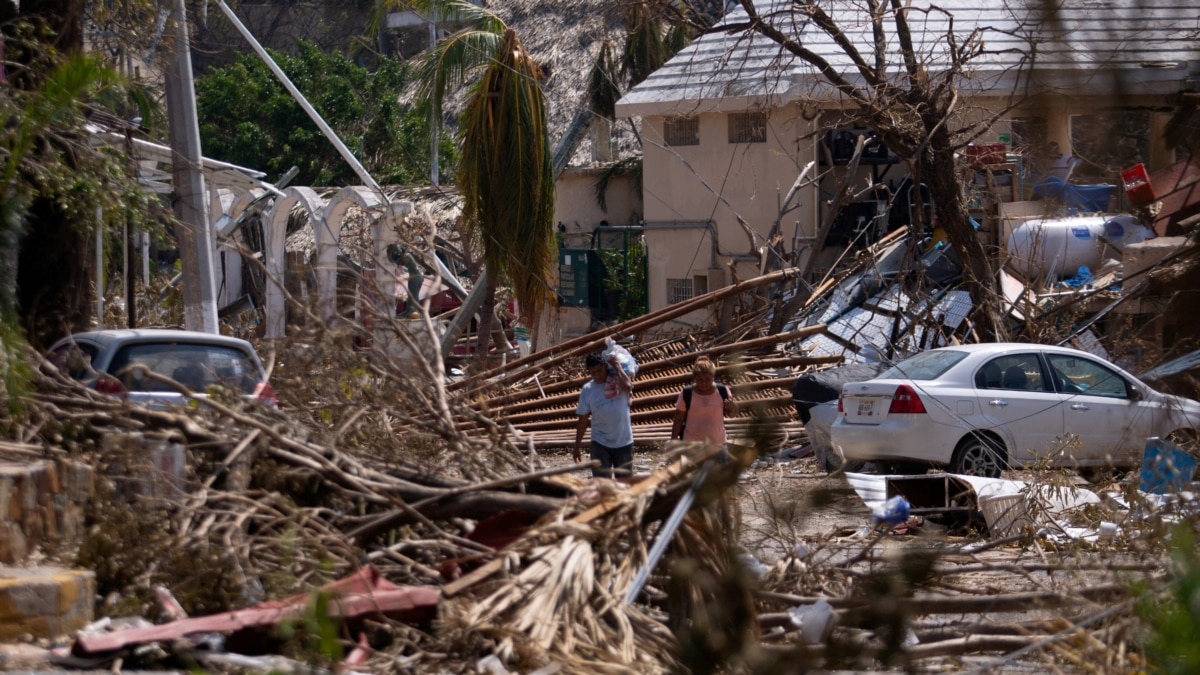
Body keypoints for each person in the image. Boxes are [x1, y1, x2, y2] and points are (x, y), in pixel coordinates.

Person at [573, 351, 634, 479]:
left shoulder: (618, 381)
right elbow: (583, 420)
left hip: (624, 442)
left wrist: (617, 366)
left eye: (599, 371)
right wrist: (577, 446)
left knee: (624, 484)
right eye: (593, 372)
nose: (597, 376)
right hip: (600, 443)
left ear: (606, 366)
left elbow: (628, 387)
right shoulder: (588, 389)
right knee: (602, 484)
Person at [671, 356, 738, 448]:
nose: (704, 383)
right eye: (700, 380)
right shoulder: (687, 393)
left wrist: (733, 407)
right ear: (694, 378)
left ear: (713, 377)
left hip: (717, 444)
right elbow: (679, 419)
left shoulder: (722, 391)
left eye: (707, 379)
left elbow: (732, 414)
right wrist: (673, 441)